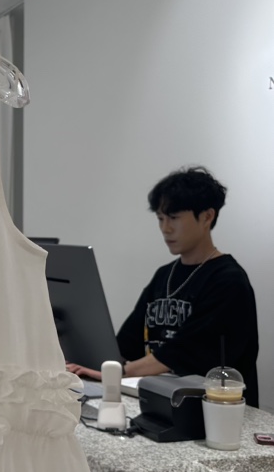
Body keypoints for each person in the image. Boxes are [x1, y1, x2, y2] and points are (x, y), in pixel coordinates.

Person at [68, 166, 259, 406]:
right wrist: (95, 364)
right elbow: (127, 343)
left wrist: (115, 373)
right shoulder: (164, 276)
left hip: (217, 410)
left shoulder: (228, 281)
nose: (165, 228)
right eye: (160, 218)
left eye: (174, 218)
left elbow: (181, 352)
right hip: (162, 402)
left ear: (207, 217)